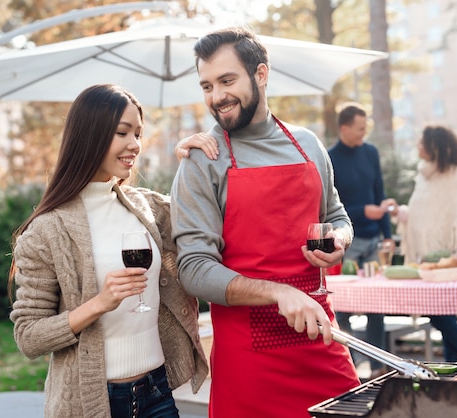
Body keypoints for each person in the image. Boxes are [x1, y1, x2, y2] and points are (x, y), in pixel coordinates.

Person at [170, 27, 360, 417]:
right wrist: (278, 292)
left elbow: (337, 215)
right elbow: (193, 269)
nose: (216, 96)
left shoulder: (307, 144)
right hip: (250, 360)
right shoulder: (202, 160)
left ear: (260, 74)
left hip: (321, 339)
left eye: (226, 80)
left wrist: (339, 237)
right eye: (206, 86)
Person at [8, 84, 209, 418]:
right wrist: (99, 304)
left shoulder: (149, 209)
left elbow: (206, 220)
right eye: (122, 133)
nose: (134, 145)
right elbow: (29, 336)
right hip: (94, 402)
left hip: (156, 393)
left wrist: (189, 163)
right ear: (90, 136)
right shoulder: (46, 231)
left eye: (138, 134)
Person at [394, 125, 457, 362]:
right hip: (425, 260)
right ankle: (455, 366)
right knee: (441, 314)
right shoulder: (424, 175)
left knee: (440, 315)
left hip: (446, 259)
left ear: (434, 146)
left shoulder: (452, 174)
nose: (418, 147)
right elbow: (420, 215)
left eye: (422, 143)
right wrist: (400, 212)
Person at [327, 104, 396, 378]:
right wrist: (360, 212)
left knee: (375, 304)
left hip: (373, 241)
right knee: (342, 306)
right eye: (359, 128)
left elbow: (380, 193)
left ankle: (377, 365)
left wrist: (388, 234)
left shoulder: (371, 153)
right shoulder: (330, 158)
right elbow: (330, 207)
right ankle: (352, 365)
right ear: (344, 128)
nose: (364, 132)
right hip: (347, 242)